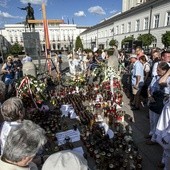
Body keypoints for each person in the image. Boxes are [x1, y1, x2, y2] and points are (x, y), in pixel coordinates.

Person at [146, 62, 170, 145]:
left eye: (159, 70)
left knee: (156, 121)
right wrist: (149, 96)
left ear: (165, 71)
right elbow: (149, 87)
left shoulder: (168, 79)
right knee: (152, 120)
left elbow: (161, 83)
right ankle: (151, 133)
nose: (156, 71)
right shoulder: (155, 77)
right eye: (156, 69)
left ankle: (154, 139)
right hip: (152, 99)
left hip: (160, 102)